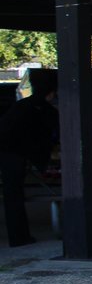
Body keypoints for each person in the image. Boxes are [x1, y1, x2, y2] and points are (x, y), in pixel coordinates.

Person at [0, 71, 58, 247]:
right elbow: (45, 139)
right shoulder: (43, 110)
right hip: (13, 152)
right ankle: (19, 237)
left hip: (9, 149)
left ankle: (19, 236)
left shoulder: (24, 106)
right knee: (14, 196)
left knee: (12, 195)